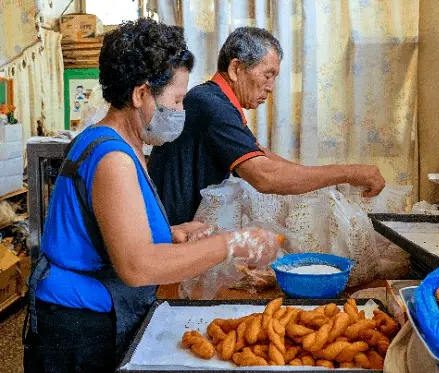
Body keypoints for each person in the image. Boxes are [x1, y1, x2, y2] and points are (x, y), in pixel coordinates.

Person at [23, 19, 281, 373]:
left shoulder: (117, 143)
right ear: (141, 94)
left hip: (88, 320)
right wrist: (234, 243)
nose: (181, 112)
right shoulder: (113, 158)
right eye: (176, 100)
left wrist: (170, 234)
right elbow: (137, 266)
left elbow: (103, 232)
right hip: (78, 333)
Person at [148, 27, 386, 226]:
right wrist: (350, 173)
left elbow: (261, 154)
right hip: (172, 236)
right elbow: (265, 176)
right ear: (236, 69)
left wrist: (325, 184)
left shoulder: (216, 101)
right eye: (267, 75)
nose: (271, 87)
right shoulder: (212, 105)